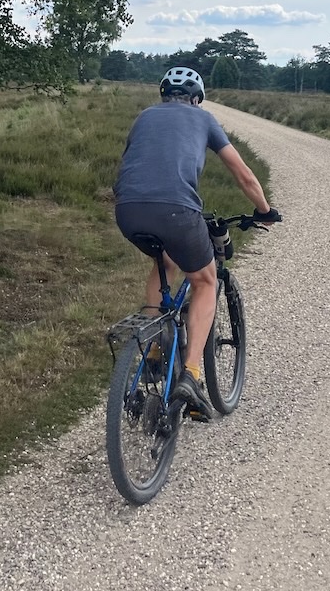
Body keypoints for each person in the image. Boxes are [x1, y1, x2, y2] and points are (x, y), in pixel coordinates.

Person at [113, 66, 280, 420]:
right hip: (176, 211)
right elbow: (243, 174)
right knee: (204, 280)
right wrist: (265, 210)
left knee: (166, 261)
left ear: (164, 95)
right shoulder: (204, 119)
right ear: (197, 98)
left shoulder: (144, 116)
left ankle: (154, 350)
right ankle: (191, 374)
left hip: (128, 210)